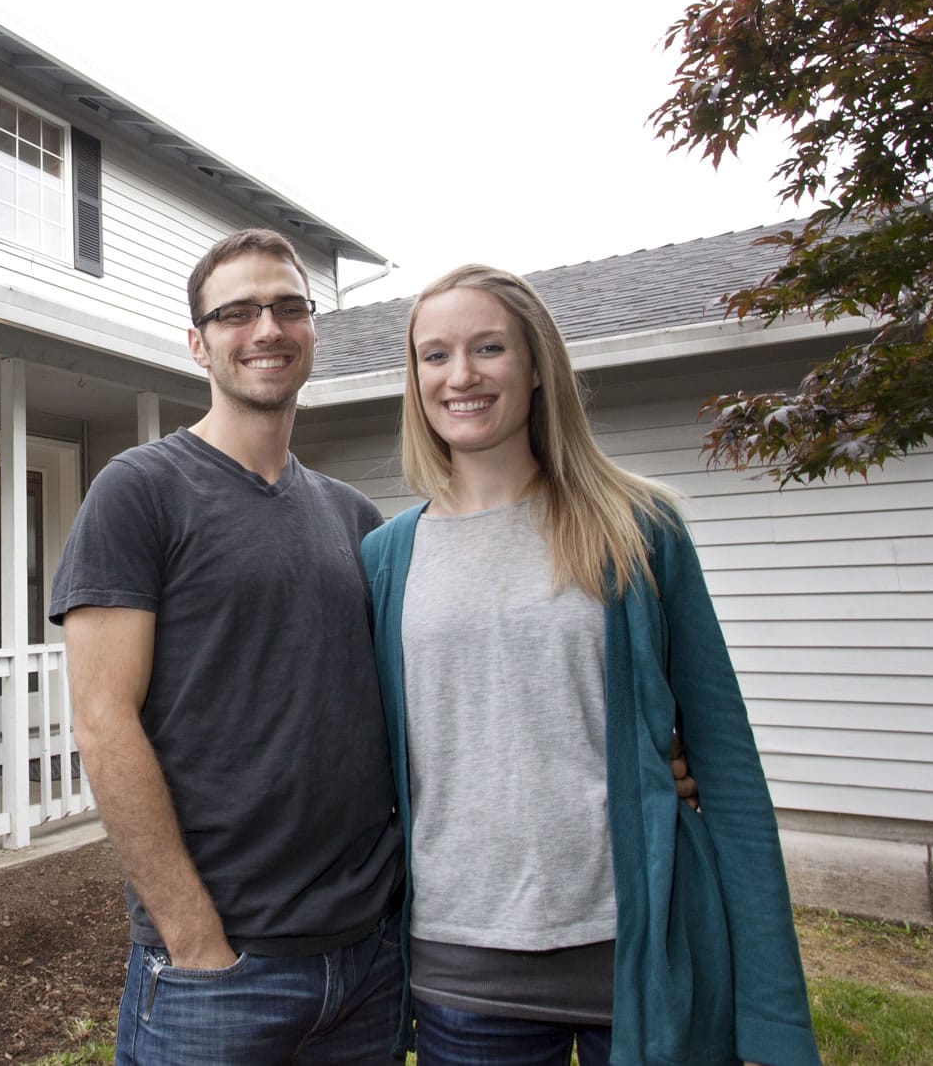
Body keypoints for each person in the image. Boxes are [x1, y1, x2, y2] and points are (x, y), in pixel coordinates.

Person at [359, 264, 820, 1066]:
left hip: (641, 954)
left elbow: (728, 765)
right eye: (434, 355)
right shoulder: (384, 559)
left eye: (488, 347)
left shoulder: (637, 527)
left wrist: (775, 1020)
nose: (460, 375)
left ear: (537, 366)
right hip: (464, 967)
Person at [51, 229, 405, 1064]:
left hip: (368, 959)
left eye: (288, 307)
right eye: (237, 311)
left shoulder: (356, 518)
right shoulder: (140, 490)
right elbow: (103, 721)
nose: (267, 328)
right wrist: (194, 936)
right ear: (199, 342)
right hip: (220, 972)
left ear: (313, 327)